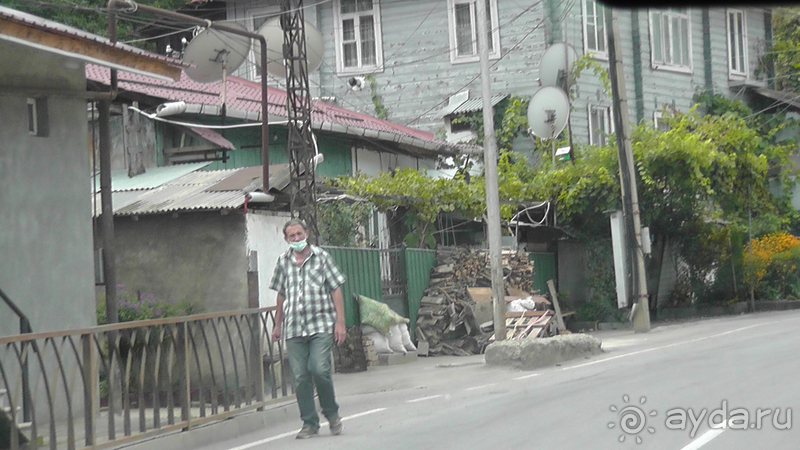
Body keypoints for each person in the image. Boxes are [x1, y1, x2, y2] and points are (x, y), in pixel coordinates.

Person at [270, 218, 347, 439]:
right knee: (300, 377)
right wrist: (277, 324)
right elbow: (281, 294)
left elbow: (335, 290)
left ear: (307, 234)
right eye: (291, 236)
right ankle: (309, 423)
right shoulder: (283, 261)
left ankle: (331, 413)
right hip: (294, 328)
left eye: (299, 234)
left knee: (319, 369)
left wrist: (340, 322)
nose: (296, 239)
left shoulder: (321, 258)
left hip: (320, 325)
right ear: (286, 239)